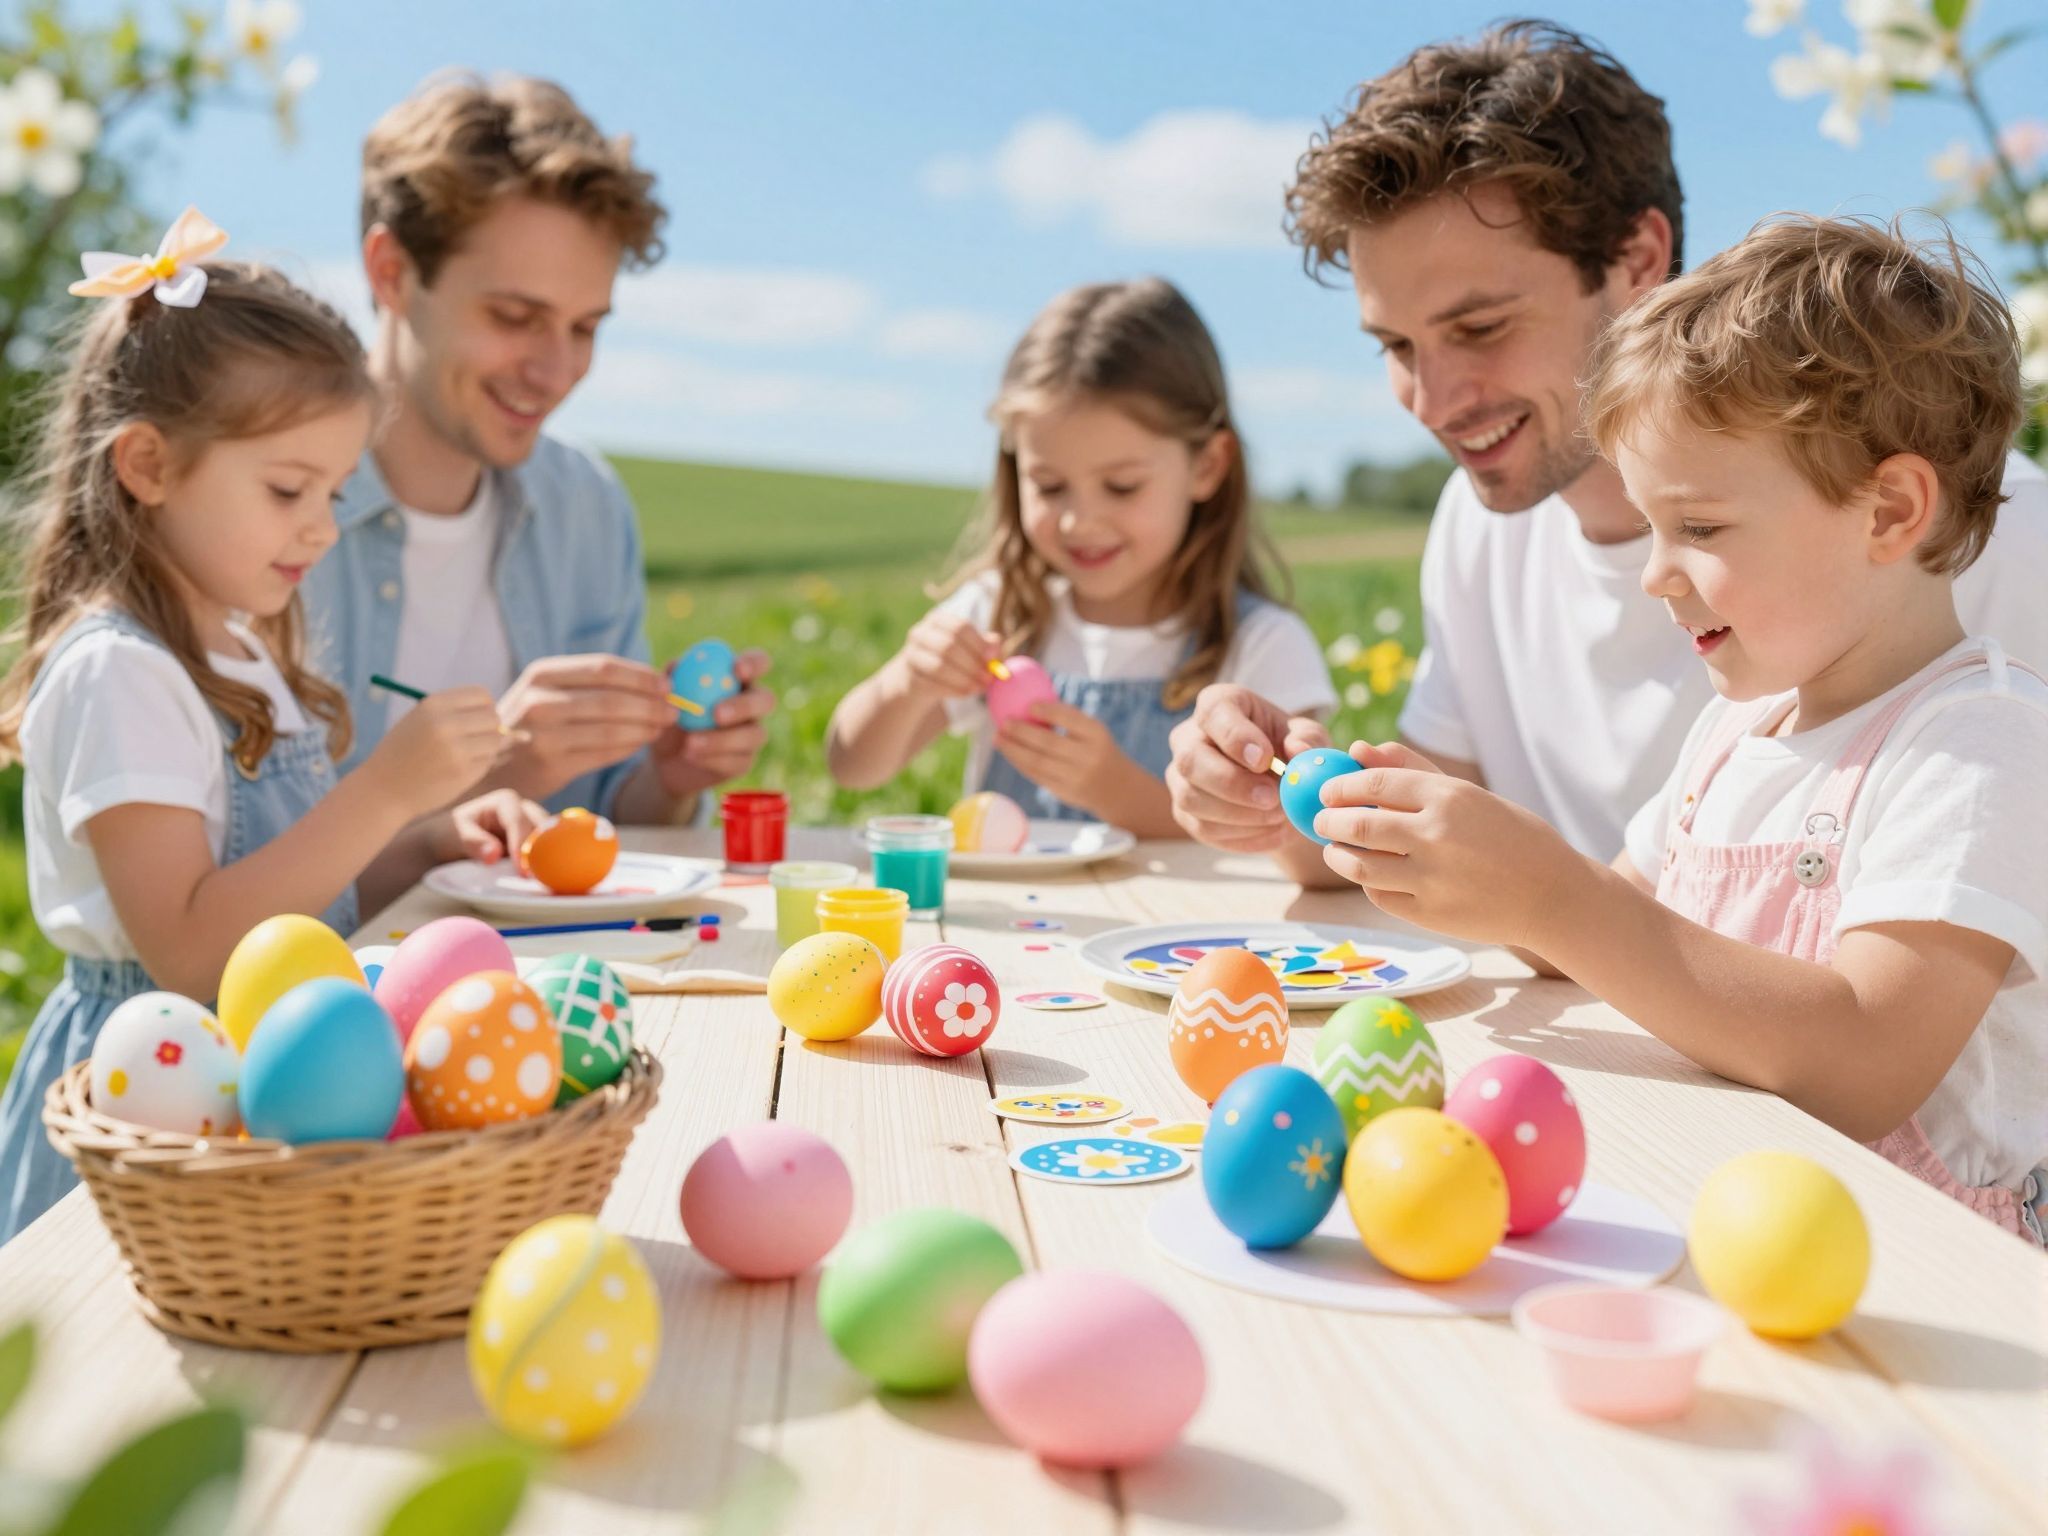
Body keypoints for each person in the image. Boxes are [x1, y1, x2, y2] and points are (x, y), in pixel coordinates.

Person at [1165, 21, 2048, 884]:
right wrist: (1272, 794)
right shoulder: (1478, 524)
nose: (1431, 402)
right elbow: (1431, 841)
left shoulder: (1976, 532)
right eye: (1397, 347)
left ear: (1638, 259)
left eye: (1479, 327)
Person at [1313, 218, 2047, 1241]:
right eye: (1653, 527)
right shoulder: (1735, 733)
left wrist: (1553, 898)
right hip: (1744, 1227)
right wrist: (1466, 856)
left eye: (1696, 528)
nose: (1655, 573)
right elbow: (1607, 934)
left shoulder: (1977, 746)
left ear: (1887, 511)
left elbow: (1864, 1061)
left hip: (1927, 1280)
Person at [0, 242, 543, 1244]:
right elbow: (193, 951)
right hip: (150, 1100)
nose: (324, 529)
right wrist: (382, 790)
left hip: (260, 1083)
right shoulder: (122, 674)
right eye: (289, 490)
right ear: (150, 465)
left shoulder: (240, 654)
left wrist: (428, 839)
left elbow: (296, 894)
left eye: (335, 493)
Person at [305, 73, 773, 824]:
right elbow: (229, 897)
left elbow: (614, 822)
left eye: (585, 328)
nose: (557, 372)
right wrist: (505, 772)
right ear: (392, 273)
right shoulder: (257, 507)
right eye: (516, 316)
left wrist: (671, 779)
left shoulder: (584, 505)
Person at [826, 278, 1333, 832]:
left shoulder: (1259, 646)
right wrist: (907, 682)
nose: (1078, 521)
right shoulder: (1002, 612)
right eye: (1047, 485)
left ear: (1207, 466)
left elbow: (1296, 836)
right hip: (1016, 920)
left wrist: (1113, 790)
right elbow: (852, 767)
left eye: (1121, 486)